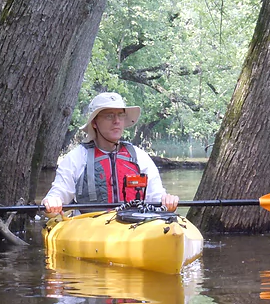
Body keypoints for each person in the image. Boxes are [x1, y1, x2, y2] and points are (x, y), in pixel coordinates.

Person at [41, 92, 180, 215]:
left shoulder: (139, 157)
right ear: (94, 123)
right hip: (91, 229)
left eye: (121, 115)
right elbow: (57, 195)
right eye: (109, 116)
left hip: (134, 228)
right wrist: (52, 203)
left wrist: (167, 202)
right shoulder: (76, 158)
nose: (117, 121)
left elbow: (157, 198)